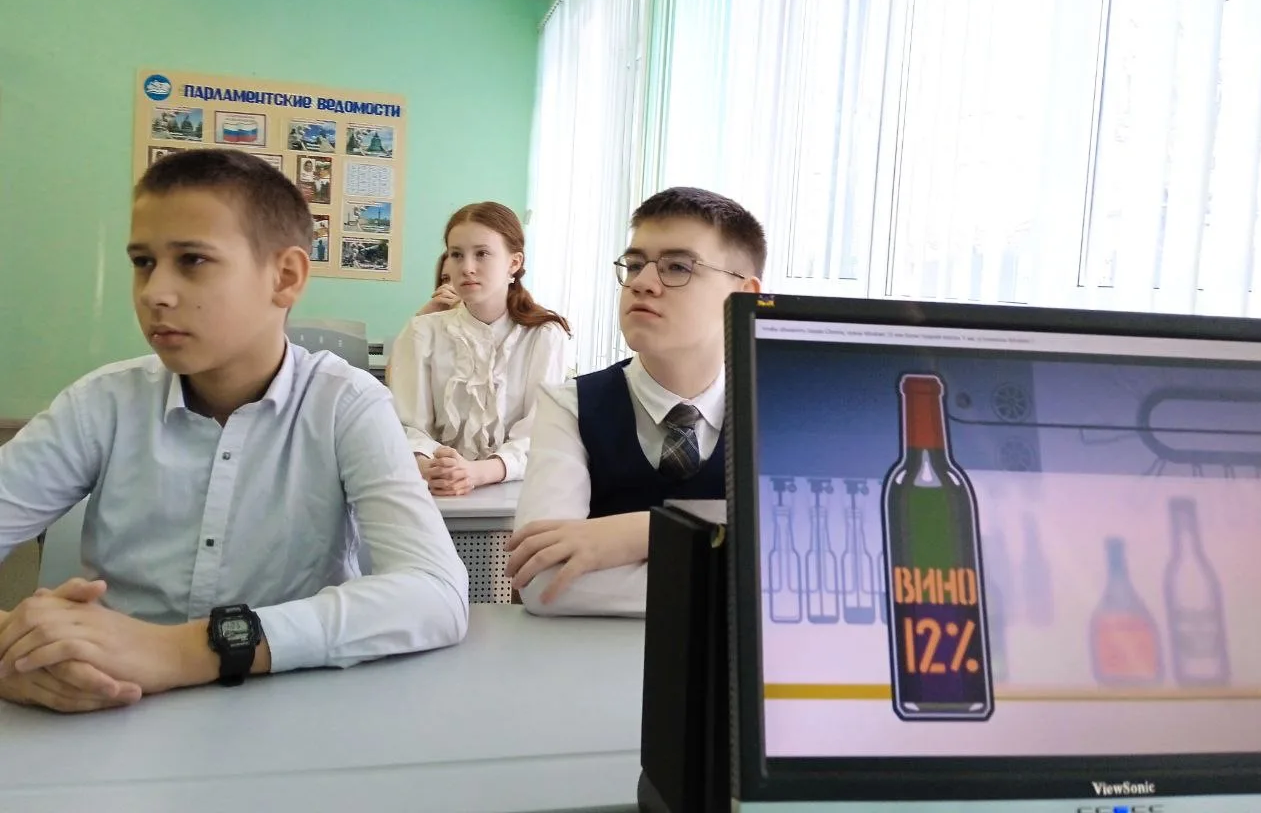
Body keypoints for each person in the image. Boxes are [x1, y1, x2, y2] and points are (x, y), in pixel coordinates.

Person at [0, 149, 467, 713]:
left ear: (285, 277)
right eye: (143, 262)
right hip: (113, 707)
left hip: (288, 708)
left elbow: (435, 593)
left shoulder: (345, 404)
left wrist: (180, 651)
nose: (153, 292)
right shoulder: (102, 403)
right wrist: (15, 653)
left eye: (193, 260)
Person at [504, 187, 765, 616]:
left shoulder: (780, 412)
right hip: (589, 657)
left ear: (744, 295)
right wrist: (744, 571)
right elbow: (544, 581)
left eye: (677, 267)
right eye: (636, 264)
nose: (642, 282)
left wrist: (646, 533)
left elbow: (820, 568)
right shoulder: (570, 406)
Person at [389, 203, 571, 497]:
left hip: (516, 493)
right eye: (456, 254)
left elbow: (540, 434)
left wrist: (477, 472)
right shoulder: (422, 331)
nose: (467, 267)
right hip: (433, 490)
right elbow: (408, 425)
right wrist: (428, 466)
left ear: (514, 263)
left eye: (482, 253)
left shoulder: (545, 336)